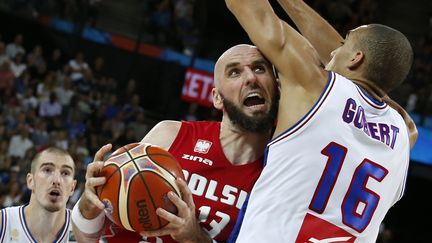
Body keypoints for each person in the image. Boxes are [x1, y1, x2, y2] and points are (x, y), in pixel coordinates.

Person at [225, 0, 416, 242]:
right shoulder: (405, 131)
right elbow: (373, 70)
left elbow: (246, 7)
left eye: (343, 44)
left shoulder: (315, 87)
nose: (333, 50)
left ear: (356, 58)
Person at [71, 44, 279, 242]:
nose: (251, 78)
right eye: (234, 72)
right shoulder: (171, 134)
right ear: (217, 98)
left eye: (259, 68)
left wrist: (194, 237)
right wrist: (89, 206)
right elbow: (84, 236)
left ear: (277, 88)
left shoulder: (280, 175)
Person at [0, 147, 77, 242]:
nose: (56, 180)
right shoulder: (4, 222)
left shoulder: (82, 230)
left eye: (65, 173)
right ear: (30, 181)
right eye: (47, 170)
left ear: (72, 187)